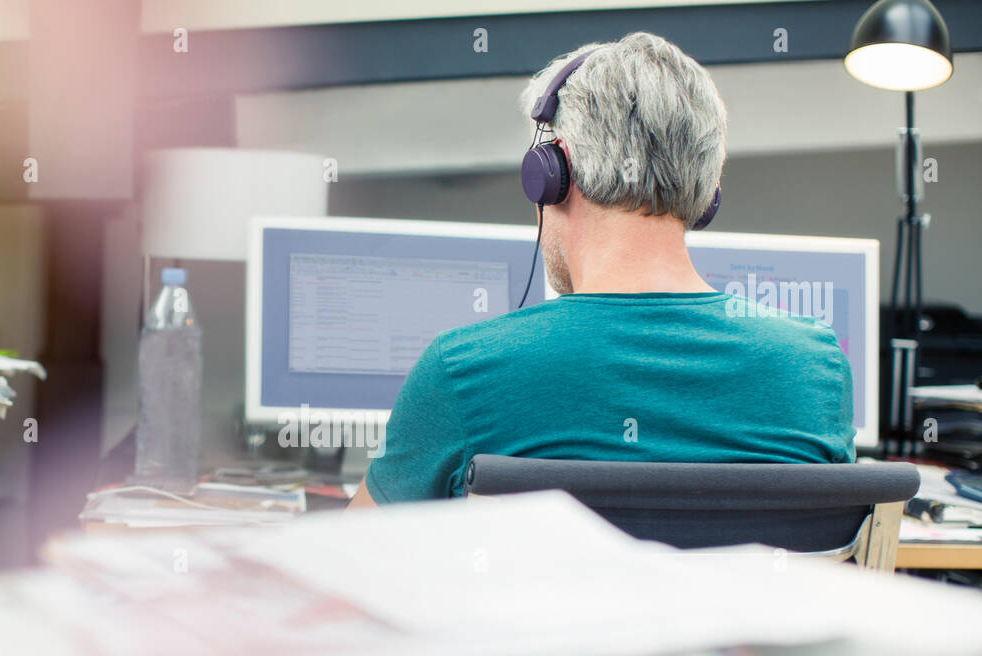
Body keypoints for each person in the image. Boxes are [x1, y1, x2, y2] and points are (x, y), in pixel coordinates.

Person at [350, 31, 854, 508]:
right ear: (707, 189)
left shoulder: (462, 372)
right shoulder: (814, 367)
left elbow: (358, 561)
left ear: (553, 171)